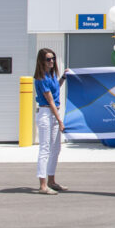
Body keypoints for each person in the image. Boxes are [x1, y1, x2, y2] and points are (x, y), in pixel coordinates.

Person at [34, 48, 67, 195]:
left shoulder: (51, 75)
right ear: (42, 61)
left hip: (53, 113)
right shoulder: (41, 78)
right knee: (45, 149)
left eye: (53, 58)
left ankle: (52, 181)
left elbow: (56, 89)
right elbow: (50, 100)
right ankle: (43, 185)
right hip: (46, 113)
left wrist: (63, 78)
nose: (52, 61)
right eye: (48, 59)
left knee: (56, 149)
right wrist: (60, 120)